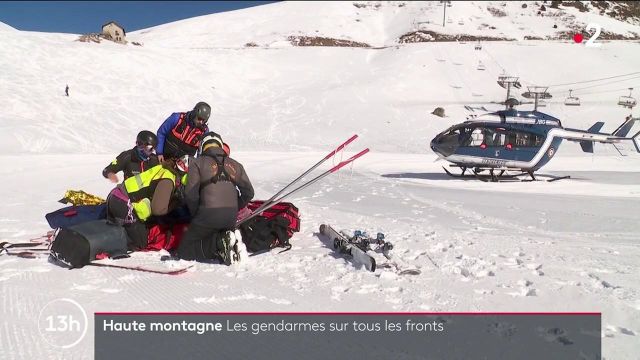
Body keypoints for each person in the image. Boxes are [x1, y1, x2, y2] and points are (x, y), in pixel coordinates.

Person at [177, 132, 254, 264]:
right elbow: (249, 193)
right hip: (230, 218)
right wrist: (236, 206)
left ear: (202, 146)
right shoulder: (235, 165)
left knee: (184, 250)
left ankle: (218, 244)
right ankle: (226, 240)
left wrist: (196, 212)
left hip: (207, 215)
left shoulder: (197, 163)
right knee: (212, 232)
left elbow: (191, 194)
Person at [106, 155, 189, 250]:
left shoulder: (165, 168)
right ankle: (102, 243)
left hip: (116, 196)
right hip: (123, 203)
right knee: (141, 243)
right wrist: (174, 206)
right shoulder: (168, 179)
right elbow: (158, 210)